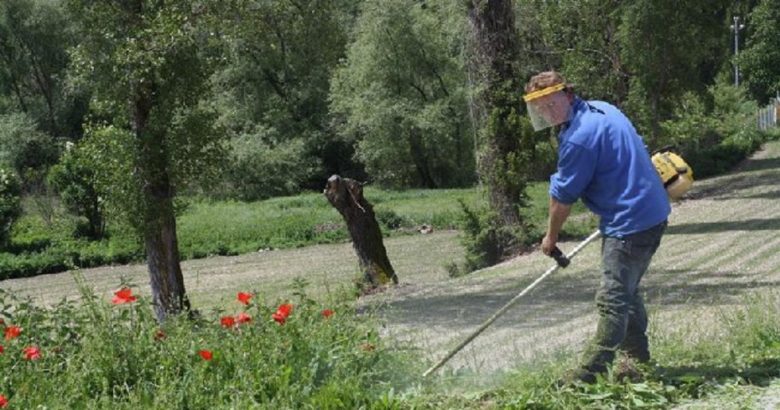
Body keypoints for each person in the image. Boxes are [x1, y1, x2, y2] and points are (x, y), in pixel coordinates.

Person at [523, 71, 671, 383]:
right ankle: (637, 364)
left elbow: (562, 199)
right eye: (539, 106)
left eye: (551, 102)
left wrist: (550, 238)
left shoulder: (579, 137)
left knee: (613, 300)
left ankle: (587, 376)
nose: (546, 111)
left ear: (567, 94)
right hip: (650, 212)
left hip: (630, 222)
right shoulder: (603, 108)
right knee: (627, 293)